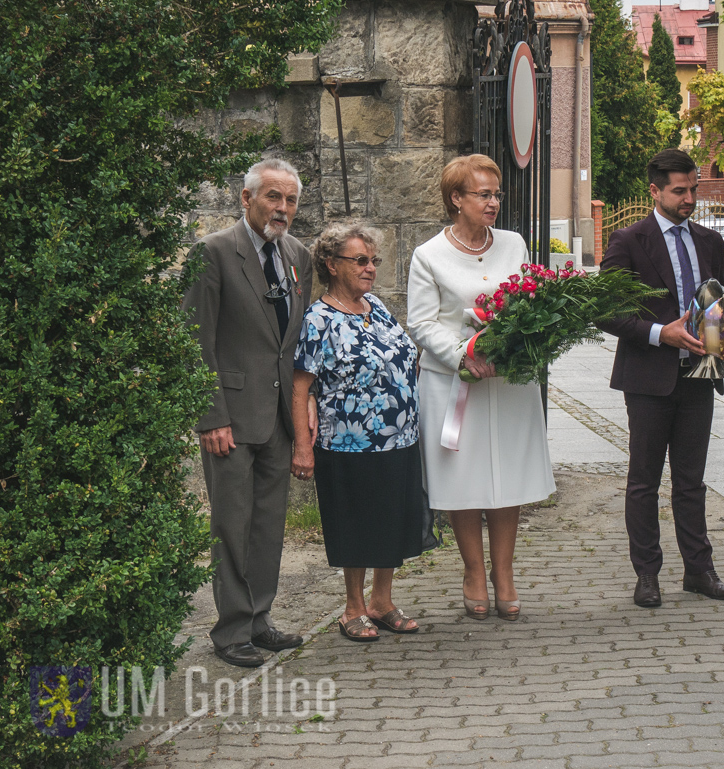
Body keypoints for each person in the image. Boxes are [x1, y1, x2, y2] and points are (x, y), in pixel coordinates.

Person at [407, 154, 555, 621]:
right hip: (454, 382)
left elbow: (529, 301)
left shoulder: (514, 244)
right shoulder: (429, 255)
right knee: (464, 477)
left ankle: (504, 573)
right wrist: (464, 355)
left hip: (508, 380)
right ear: (456, 199)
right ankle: (473, 571)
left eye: (496, 195)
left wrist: (518, 343)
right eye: (483, 194)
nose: (493, 203)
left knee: (507, 475)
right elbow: (422, 323)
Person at [183, 158, 313, 667]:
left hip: (280, 417)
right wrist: (210, 417)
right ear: (246, 198)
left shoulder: (297, 255)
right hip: (230, 420)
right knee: (232, 526)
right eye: (273, 197)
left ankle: (260, 619)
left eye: (291, 200)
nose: (282, 209)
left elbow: (295, 344)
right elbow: (195, 342)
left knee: (268, 526)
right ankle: (231, 631)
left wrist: (304, 415)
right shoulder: (213, 253)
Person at [598, 148, 724, 608]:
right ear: (655, 191)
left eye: (694, 188)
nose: (690, 198)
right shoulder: (628, 241)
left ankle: (699, 571)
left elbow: (717, 300)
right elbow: (607, 312)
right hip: (648, 379)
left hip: (700, 376)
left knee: (691, 481)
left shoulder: (710, 242)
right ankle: (647, 575)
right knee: (643, 481)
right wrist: (663, 333)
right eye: (680, 190)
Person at [291, 224, 428, 641]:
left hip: (400, 437)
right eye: (360, 261)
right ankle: (353, 607)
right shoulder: (319, 319)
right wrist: (302, 447)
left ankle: (382, 601)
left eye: (374, 261)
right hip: (349, 442)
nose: (370, 269)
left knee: (391, 519)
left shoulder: (378, 308)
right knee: (357, 522)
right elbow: (301, 387)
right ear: (331, 265)